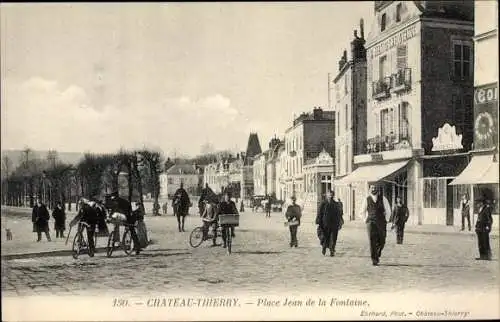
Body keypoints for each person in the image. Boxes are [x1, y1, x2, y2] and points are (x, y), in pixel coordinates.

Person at [359, 185, 391, 266]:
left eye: (375, 188)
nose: (374, 189)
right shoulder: (367, 199)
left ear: (378, 189)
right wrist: (365, 219)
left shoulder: (383, 199)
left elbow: (388, 210)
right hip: (371, 223)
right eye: (372, 188)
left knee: (382, 240)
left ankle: (377, 252)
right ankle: (374, 259)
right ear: (370, 189)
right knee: (372, 241)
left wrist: (386, 220)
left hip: (381, 222)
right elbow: (361, 212)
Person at [316, 191, 343, 256]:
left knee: (333, 237)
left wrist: (340, 222)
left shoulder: (336, 204)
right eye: (329, 195)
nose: (330, 196)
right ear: (327, 195)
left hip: (334, 223)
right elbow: (319, 213)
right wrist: (318, 221)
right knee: (324, 237)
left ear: (333, 196)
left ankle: (332, 250)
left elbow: (339, 214)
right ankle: (324, 246)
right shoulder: (323, 203)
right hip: (324, 223)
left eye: (332, 195)